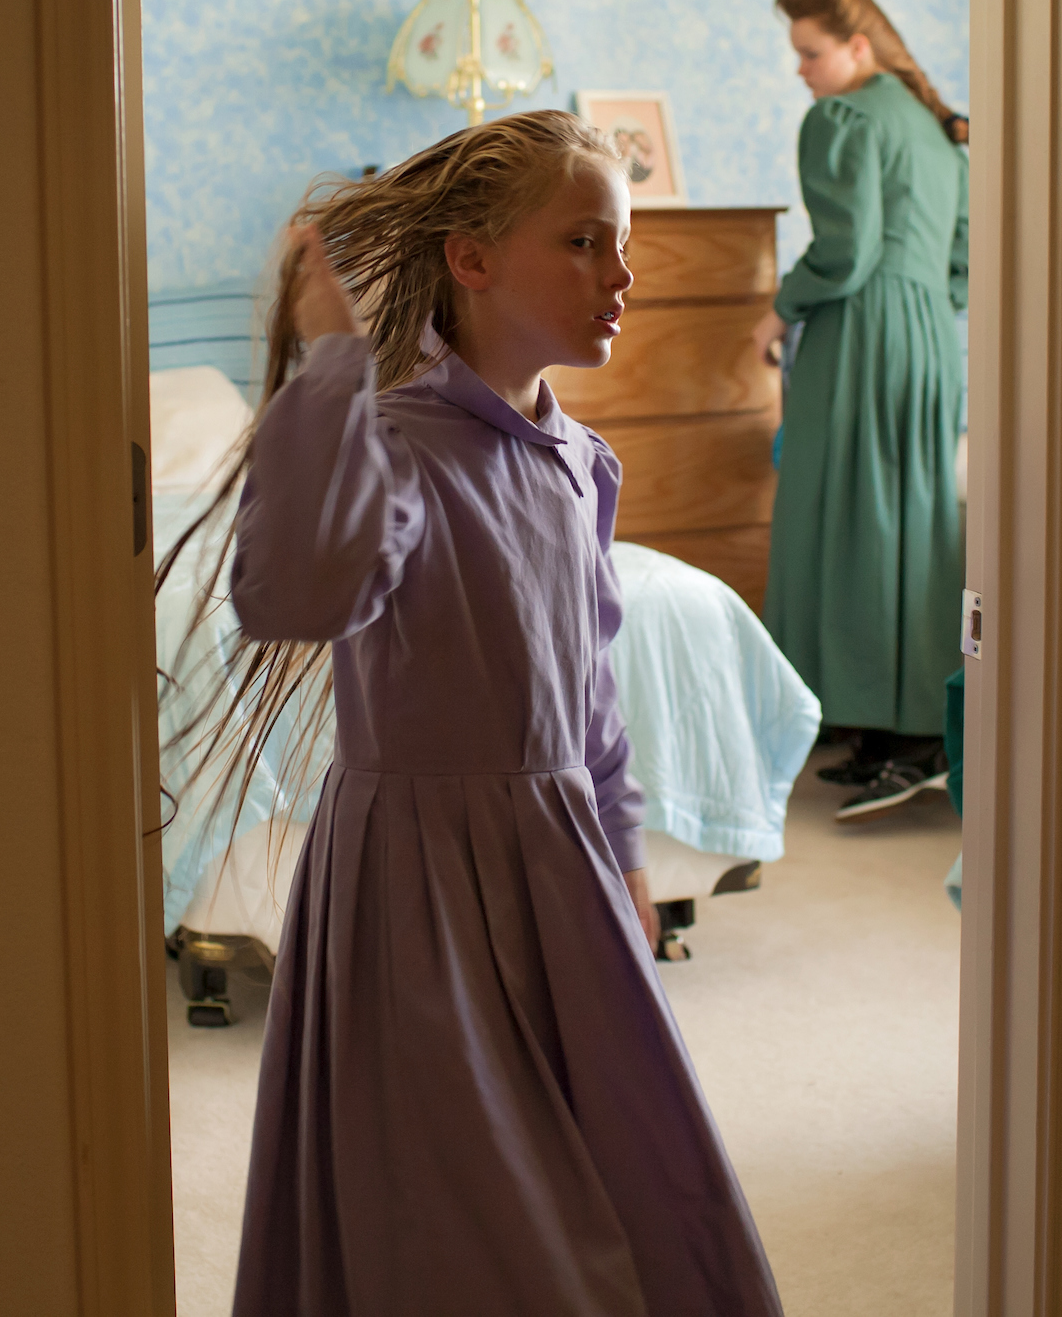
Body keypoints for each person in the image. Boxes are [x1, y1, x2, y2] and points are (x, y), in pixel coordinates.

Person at [159, 111, 782, 1317]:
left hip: (561, 876)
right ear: (472, 258)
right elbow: (296, 593)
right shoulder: (393, 438)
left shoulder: (579, 461)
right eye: (586, 242)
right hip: (421, 891)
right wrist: (328, 363)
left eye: (625, 244)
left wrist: (619, 839)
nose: (623, 274)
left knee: (636, 1184)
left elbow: (588, 685)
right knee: (467, 1217)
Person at [751, 0, 970, 821]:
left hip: (864, 330)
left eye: (809, 53)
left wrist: (777, 311)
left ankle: (890, 727)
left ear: (858, 46)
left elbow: (843, 252)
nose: (801, 71)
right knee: (908, 521)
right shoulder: (934, 125)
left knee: (852, 522)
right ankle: (902, 727)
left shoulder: (841, 120)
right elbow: (962, 255)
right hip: (926, 338)